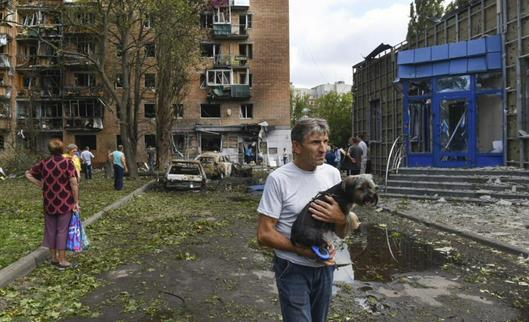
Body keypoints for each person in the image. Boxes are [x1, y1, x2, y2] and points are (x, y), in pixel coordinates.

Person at [257, 118, 359, 322]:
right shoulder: (278, 179)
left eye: (325, 141)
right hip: (292, 267)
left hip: (325, 267)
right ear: (296, 146)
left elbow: (341, 232)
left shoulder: (332, 174)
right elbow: (264, 234)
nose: (323, 149)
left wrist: (341, 218)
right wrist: (301, 250)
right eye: (315, 142)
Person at [25, 138, 79, 270]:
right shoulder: (67, 163)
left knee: (50, 230)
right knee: (62, 230)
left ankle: (53, 258)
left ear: (50, 150)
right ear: (62, 149)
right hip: (65, 201)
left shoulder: (44, 163)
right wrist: (76, 201)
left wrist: (41, 184)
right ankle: (62, 260)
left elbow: (28, 174)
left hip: (49, 202)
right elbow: (73, 183)